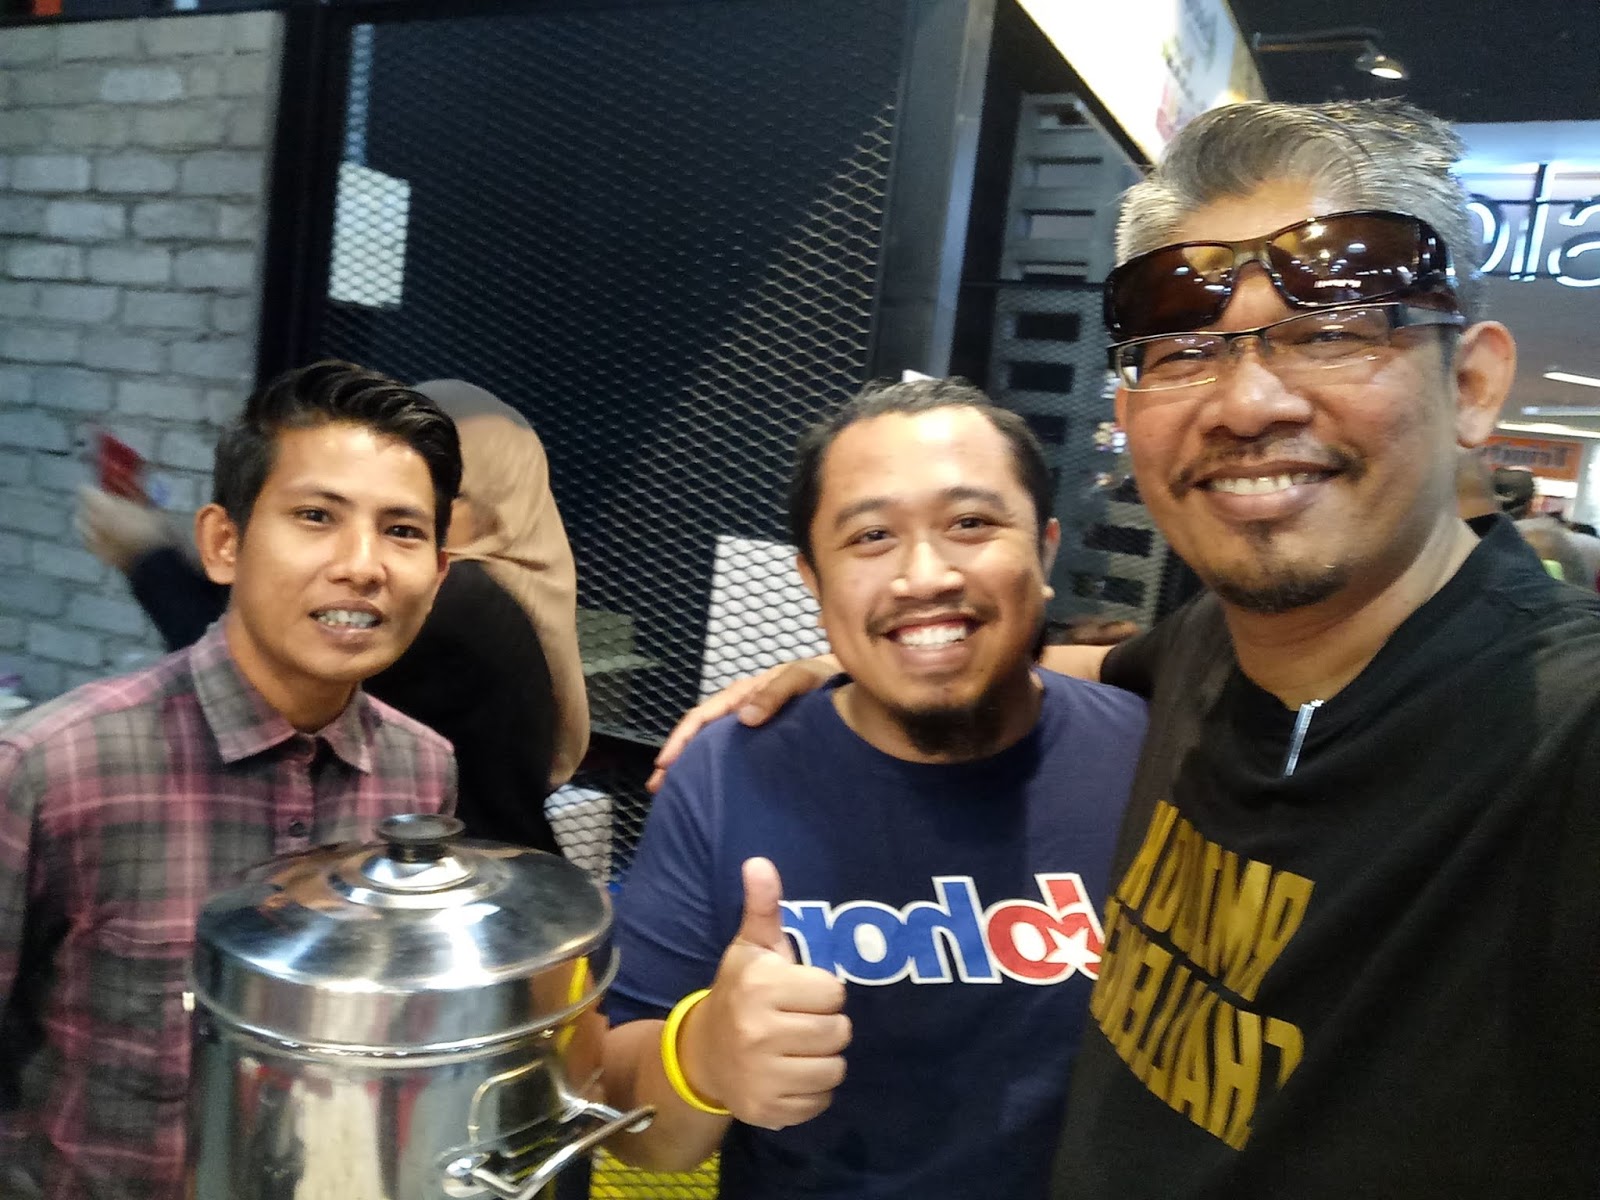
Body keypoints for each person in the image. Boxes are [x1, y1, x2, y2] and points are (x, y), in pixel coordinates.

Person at [654, 100, 1600, 1197]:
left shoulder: (1560, 739)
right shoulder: (1205, 660)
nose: (1248, 401)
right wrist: (871, 662)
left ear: (1471, 384)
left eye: (1329, 332)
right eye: (1187, 351)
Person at [599, 379, 1146, 1197]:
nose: (924, 575)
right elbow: (631, 1129)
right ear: (813, 581)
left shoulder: (1150, 754)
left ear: (1045, 550)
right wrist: (702, 1057)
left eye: (971, 523)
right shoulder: (727, 771)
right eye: (871, 537)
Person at [1, 362, 461, 1200]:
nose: (363, 565)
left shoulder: (422, 770)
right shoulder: (54, 768)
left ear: (438, 572)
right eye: (316, 516)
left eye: (402, 531)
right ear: (223, 543)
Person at [77, 380, 586, 849]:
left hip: (458, 884)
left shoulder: (453, 595)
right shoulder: (506, 577)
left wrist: (148, 557)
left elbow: (252, 668)